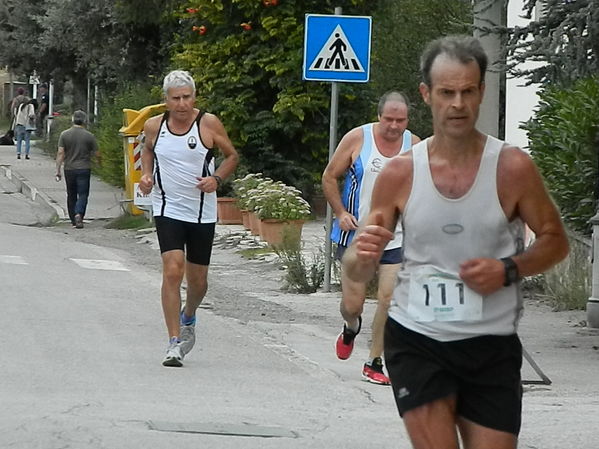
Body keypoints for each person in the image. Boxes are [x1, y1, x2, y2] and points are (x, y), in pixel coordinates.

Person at [342, 35, 569, 448]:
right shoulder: (401, 173)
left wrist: (508, 269)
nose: (458, 104)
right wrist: (362, 254)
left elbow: (556, 241)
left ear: (482, 91)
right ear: (427, 95)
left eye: (468, 91)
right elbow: (359, 264)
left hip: (491, 343)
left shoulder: (512, 167)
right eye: (447, 92)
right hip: (417, 338)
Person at [139, 70, 239, 367]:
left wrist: (216, 179)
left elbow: (231, 155)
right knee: (172, 269)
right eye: (176, 98)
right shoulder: (154, 126)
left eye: (187, 97)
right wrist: (146, 175)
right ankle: (174, 342)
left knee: (198, 281)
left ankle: (189, 315)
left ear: (193, 97)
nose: (182, 104)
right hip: (168, 207)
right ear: (166, 100)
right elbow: (147, 150)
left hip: (201, 211)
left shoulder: (207, 123)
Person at [322, 91, 420, 384]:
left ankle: (374, 361)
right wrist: (340, 213)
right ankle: (351, 328)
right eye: (389, 119)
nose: (393, 126)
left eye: (400, 120)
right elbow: (329, 177)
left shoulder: (414, 145)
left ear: (407, 120)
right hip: (356, 236)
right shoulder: (357, 138)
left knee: (389, 298)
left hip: (395, 237)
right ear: (379, 117)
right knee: (353, 305)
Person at [55, 110, 99, 229]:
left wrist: (58, 170)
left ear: (72, 119)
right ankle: (79, 214)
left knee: (71, 194)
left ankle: (73, 219)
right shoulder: (89, 136)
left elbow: (60, 153)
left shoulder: (64, 135)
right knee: (83, 194)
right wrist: (99, 163)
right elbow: (97, 153)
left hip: (69, 169)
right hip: (84, 168)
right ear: (84, 121)